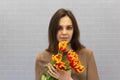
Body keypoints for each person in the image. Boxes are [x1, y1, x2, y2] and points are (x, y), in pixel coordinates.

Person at [35, 8, 99, 80]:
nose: (64, 32)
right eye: (59, 28)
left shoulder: (87, 55)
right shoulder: (42, 58)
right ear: (53, 30)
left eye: (69, 28)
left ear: (74, 31)